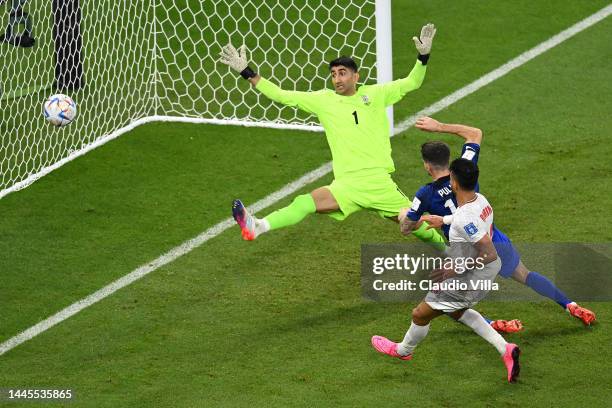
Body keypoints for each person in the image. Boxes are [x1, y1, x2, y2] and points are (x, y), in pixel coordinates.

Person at [218, 24, 445, 249]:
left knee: (417, 225)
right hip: (346, 184)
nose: (337, 79)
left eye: (342, 73)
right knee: (304, 202)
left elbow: (412, 82)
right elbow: (281, 95)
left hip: (378, 183)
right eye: (334, 74)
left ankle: (450, 253)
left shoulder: (376, 94)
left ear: (356, 76)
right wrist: (247, 72)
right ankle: (259, 226)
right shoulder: (323, 100)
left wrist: (422, 57)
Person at [400, 116, 596, 326]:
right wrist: (439, 127)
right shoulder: (465, 168)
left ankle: (492, 325)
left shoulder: (425, 194)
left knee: (442, 302)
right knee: (525, 274)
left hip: (466, 254)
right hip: (492, 238)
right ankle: (571, 305)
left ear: (427, 166)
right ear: (447, 159)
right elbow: (475, 133)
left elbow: (406, 228)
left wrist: (408, 214)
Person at [372, 159, 521, 383]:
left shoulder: (464, 217)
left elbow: (489, 252)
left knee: (420, 314)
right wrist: (444, 220)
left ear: (454, 183)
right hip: (485, 271)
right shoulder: (480, 200)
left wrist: (456, 268)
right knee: (456, 311)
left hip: (471, 274)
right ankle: (505, 349)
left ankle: (403, 351)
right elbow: (467, 221)